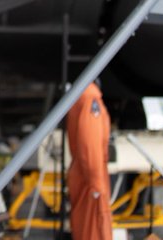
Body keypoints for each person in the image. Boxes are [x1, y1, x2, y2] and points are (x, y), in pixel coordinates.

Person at [66, 81, 112, 240]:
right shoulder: (90, 100)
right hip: (91, 180)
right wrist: (97, 184)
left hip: (85, 176)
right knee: (94, 231)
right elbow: (90, 144)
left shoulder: (81, 98)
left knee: (85, 228)